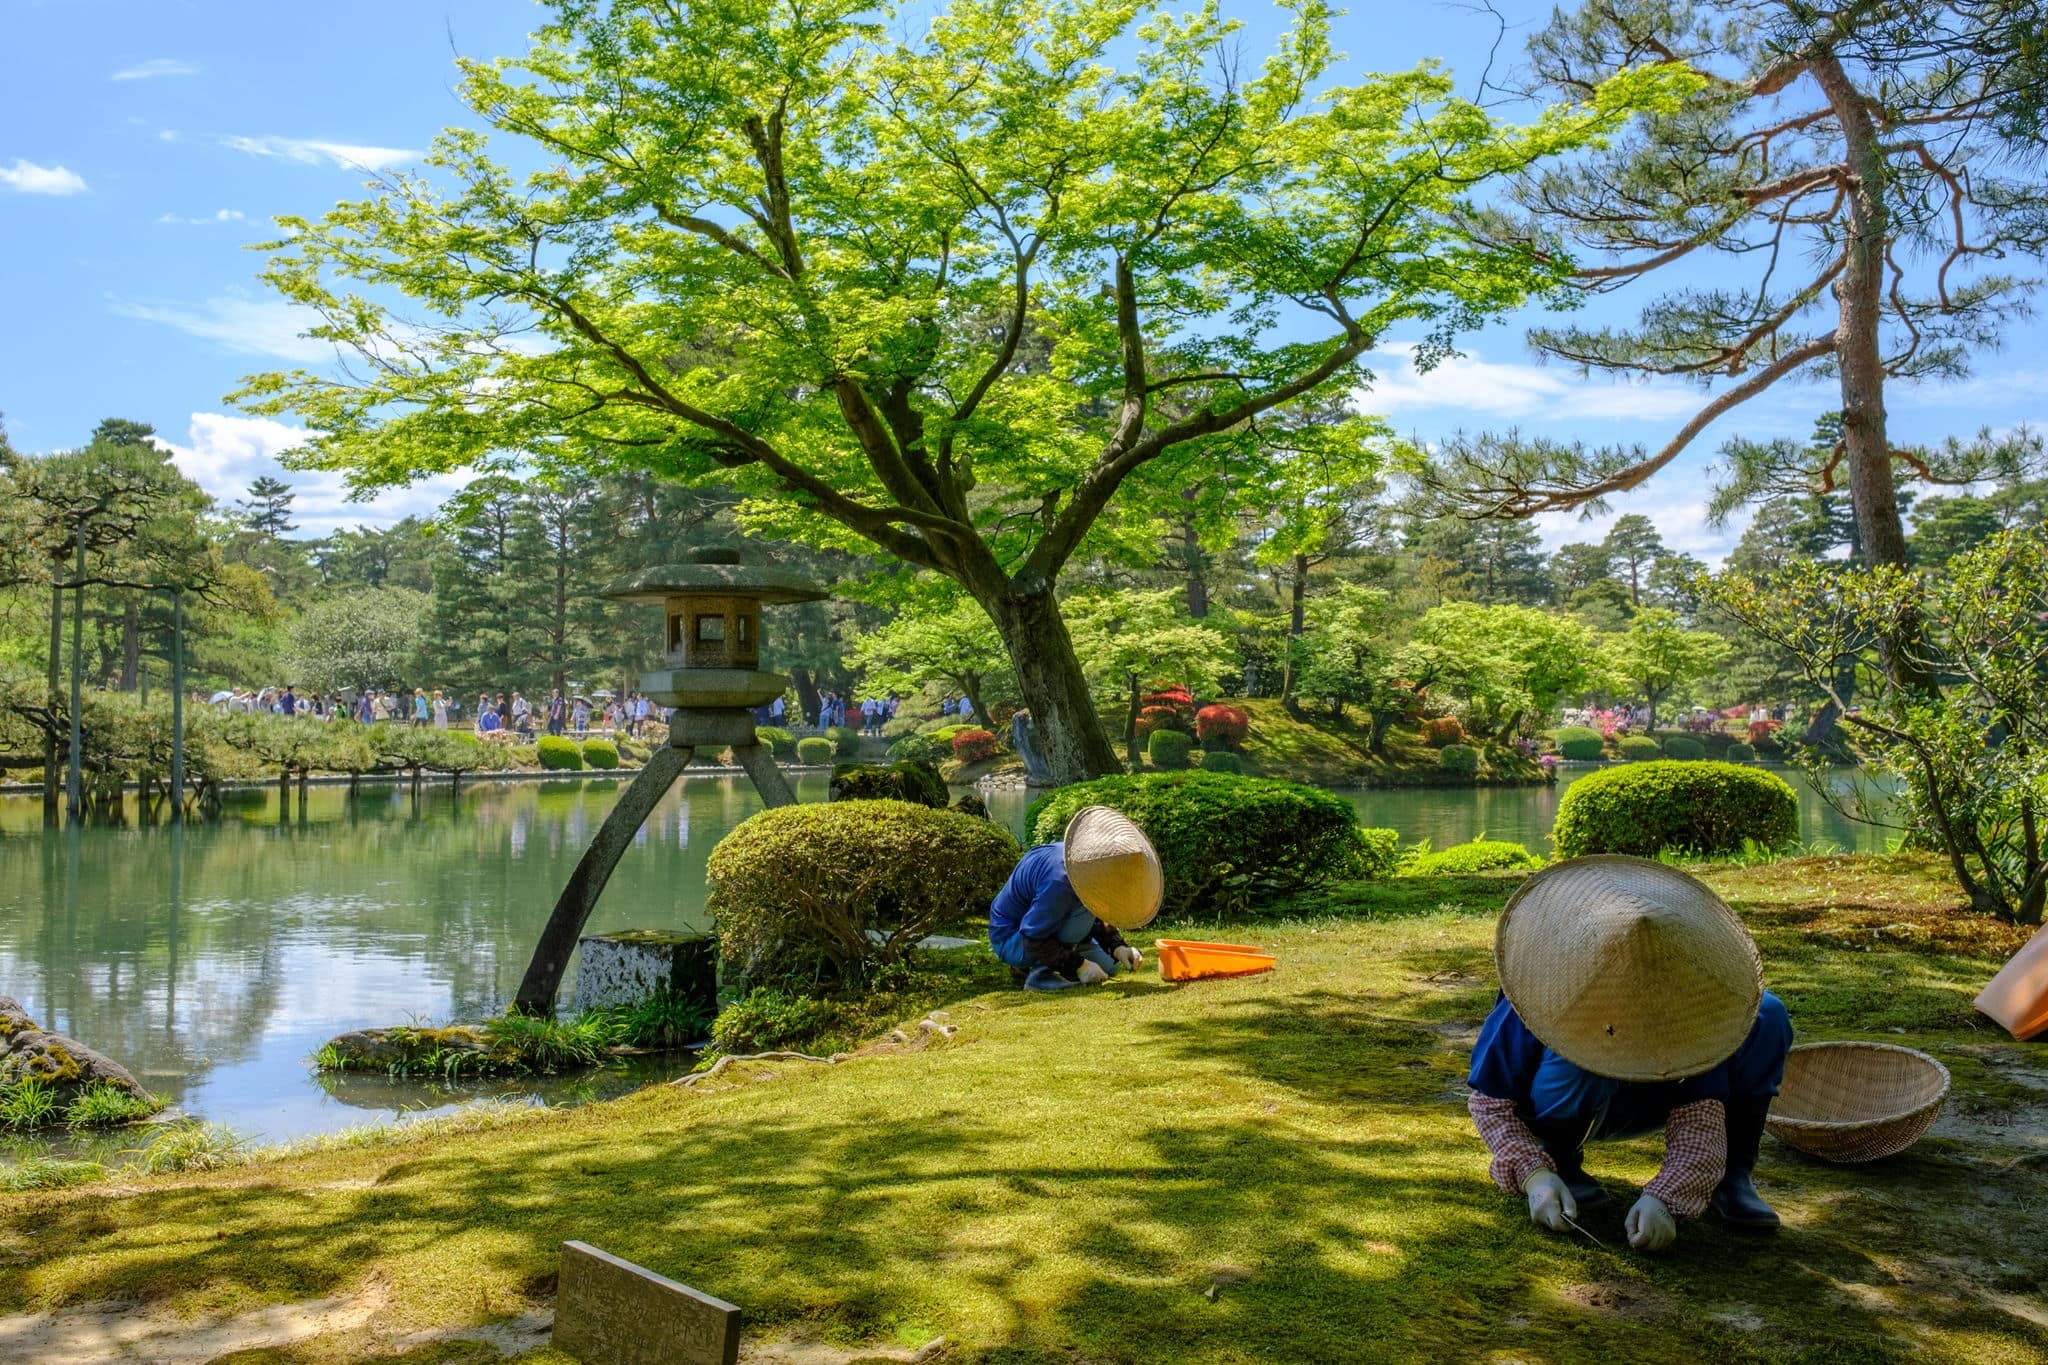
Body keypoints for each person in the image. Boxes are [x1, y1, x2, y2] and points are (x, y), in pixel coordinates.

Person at [1467, 857, 1792, 1252]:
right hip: (1569, 1104)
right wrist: (1533, 1173)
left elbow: (1700, 1116)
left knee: (1767, 1013)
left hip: (1651, 1098)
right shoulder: (1539, 1002)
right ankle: (1560, 1160)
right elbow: (1492, 1103)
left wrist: (1668, 1197)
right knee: (1579, 1056)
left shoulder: (1688, 1013)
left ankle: (1731, 1178)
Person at [988, 806, 1161, 992]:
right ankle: (1039, 976)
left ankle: (1055, 962)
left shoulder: (1085, 864)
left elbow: (1097, 910)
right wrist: (1079, 966)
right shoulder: (1060, 881)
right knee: (1082, 914)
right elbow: (1033, 936)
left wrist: (1118, 947)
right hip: (1013, 939)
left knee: (1109, 967)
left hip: (1042, 931)